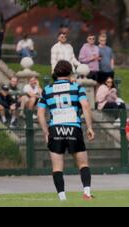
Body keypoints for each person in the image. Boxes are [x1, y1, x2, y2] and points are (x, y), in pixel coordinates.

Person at [37, 60, 95, 201]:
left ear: (55, 73)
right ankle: (87, 193)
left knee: (57, 167)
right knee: (83, 164)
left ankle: (62, 198)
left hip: (55, 129)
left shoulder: (47, 89)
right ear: (70, 72)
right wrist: (89, 127)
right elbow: (86, 106)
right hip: (73, 127)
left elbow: (40, 113)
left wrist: (46, 132)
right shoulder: (76, 87)